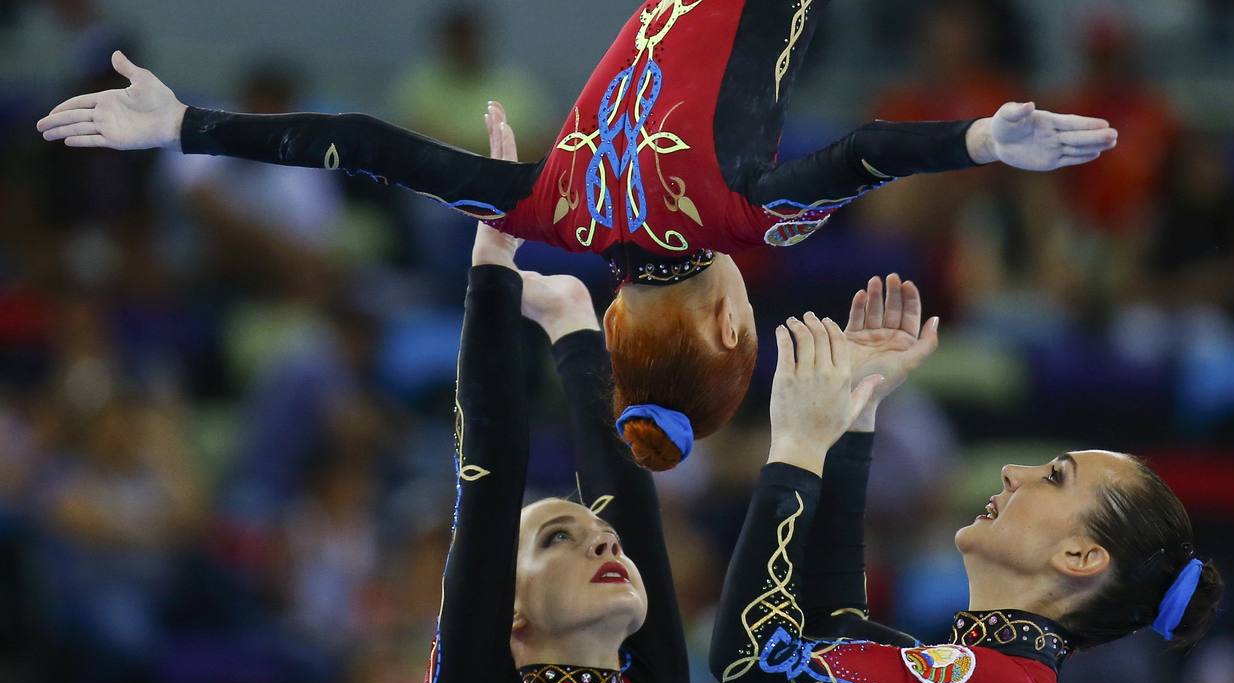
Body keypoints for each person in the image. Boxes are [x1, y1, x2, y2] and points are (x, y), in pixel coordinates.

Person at [37, 0, 1118, 466]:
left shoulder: (752, 224)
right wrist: (184, 126)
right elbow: (364, 142)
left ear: (728, 327)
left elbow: (867, 152)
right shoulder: (546, 211)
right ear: (613, 312)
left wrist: (981, 140)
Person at [706, 277, 1222, 683]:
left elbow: (751, 653)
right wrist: (856, 412)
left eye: (1054, 477)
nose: (1015, 470)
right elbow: (831, 626)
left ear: (1081, 556)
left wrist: (795, 447)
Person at [412, 114, 711, 683]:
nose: (608, 546)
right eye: (558, 539)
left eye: (599, 537)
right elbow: (489, 484)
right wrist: (494, 265)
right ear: (509, 611)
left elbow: (629, 500)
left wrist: (576, 325)